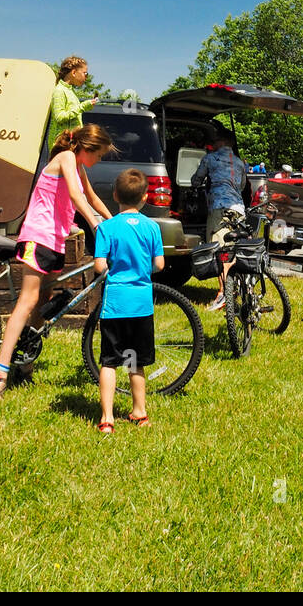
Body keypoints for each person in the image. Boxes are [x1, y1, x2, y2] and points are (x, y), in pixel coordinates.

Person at [0, 124, 115, 399]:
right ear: (87, 149)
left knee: (43, 298)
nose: (99, 161)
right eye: (100, 155)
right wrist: (96, 227)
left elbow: (91, 197)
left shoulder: (77, 164)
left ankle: (25, 362)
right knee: (28, 301)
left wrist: (114, 222)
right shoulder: (66, 158)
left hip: (54, 240)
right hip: (39, 236)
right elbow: (75, 195)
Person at [93, 169, 164, 433]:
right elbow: (159, 264)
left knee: (109, 361)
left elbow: (100, 266)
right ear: (145, 197)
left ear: (114, 195)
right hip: (141, 304)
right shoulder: (152, 227)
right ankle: (139, 411)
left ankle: (107, 419)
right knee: (136, 361)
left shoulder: (107, 228)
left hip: (115, 305)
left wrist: (111, 266)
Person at [192, 130, 248, 311]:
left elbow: (196, 180)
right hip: (238, 208)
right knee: (233, 249)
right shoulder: (240, 163)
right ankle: (236, 287)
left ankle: (224, 293)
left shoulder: (210, 158)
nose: (212, 143)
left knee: (220, 250)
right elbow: (242, 185)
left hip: (219, 208)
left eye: (214, 140)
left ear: (223, 141)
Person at [46, 56, 99, 153]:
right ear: (74, 72)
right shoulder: (59, 90)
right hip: (61, 147)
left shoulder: (70, 92)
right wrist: (82, 107)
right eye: (85, 73)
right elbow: (59, 117)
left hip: (70, 145)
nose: (86, 77)